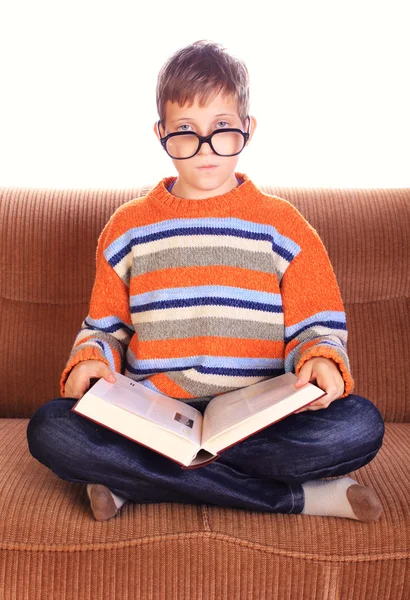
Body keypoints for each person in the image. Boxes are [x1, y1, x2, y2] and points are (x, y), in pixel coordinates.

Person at [27, 40, 384, 522]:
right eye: (185, 132)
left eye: (221, 130)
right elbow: (104, 330)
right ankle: (298, 498)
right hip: (150, 421)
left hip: (256, 424)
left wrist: (321, 361)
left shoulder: (285, 226)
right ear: (160, 133)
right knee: (51, 428)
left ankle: (134, 481)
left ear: (248, 129)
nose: (205, 150)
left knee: (359, 425)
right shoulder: (126, 228)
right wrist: (91, 361)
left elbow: (317, 330)